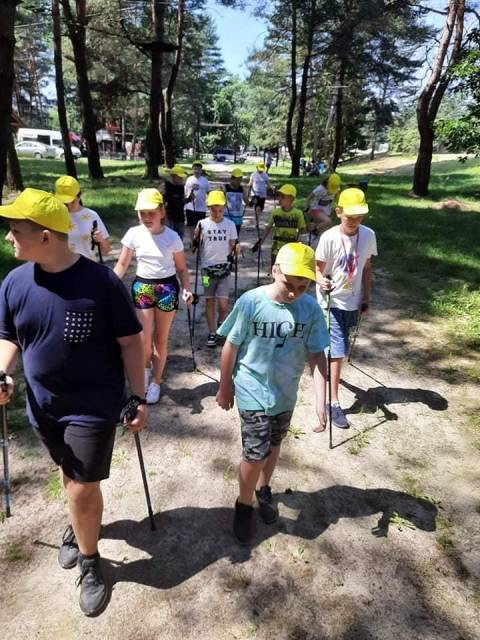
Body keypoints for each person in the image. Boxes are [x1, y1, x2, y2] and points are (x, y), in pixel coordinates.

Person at [0, 188, 146, 616]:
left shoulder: (101, 284)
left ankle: (90, 559)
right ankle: (81, 525)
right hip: (44, 405)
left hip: (93, 405)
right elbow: (9, 336)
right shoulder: (14, 281)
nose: (9, 238)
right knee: (69, 476)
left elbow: (131, 343)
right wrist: (3, 371)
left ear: (46, 236)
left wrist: (137, 396)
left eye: (15, 231)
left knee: (82, 485)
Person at [216, 242, 329, 544]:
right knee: (254, 454)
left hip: (285, 393)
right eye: (287, 284)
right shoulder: (251, 302)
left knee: (274, 444)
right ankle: (243, 505)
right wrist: (224, 386)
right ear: (274, 270)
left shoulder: (311, 309)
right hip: (252, 389)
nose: (293, 292)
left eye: (302, 287)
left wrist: (322, 399)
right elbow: (231, 345)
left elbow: (318, 355)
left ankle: (263, 490)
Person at [114, 188, 193, 404]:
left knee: (160, 338)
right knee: (143, 338)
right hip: (143, 288)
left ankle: (156, 382)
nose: (146, 217)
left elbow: (182, 269)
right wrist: (108, 285)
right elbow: (122, 264)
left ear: (162, 212)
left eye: (151, 212)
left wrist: (187, 288)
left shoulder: (172, 237)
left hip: (167, 288)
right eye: (142, 213)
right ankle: (145, 372)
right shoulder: (133, 234)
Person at [316, 187, 377, 429]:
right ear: (338, 212)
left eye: (359, 217)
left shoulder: (369, 235)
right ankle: (334, 403)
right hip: (330, 301)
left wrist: (367, 297)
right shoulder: (329, 237)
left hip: (353, 301)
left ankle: (326, 364)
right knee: (338, 351)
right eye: (349, 216)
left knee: (339, 348)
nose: (354, 221)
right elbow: (317, 270)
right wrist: (321, 280)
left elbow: (367, 267)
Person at [193, 190, 238, 348]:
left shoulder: (230, 224)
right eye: (213, 209)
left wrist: (236, 249)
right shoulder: (202, 224)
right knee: (209, 299)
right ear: (208, 208)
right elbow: (195, 244)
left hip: (224, 268)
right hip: (206, 270)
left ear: (224, 208)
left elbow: (233, 244)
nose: (217, 213)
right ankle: (212, 332)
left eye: (220, 209)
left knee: (223, 303)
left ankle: (221, 322)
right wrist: (195, 239)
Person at [54, 175, 111, 260]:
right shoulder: (55, 216)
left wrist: (100, 239)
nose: (69, 206)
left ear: (79, 196)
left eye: (72, 202)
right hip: (63, 269)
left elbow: (107, 250)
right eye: (65, 203)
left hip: (87, 268)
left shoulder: (92, 216)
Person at [253, 183, 306, 269]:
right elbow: (268, 228)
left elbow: (302, 230)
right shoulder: (275, 212)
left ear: (291, 199)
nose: (279, 199)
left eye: (283, 197)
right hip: (276, 248)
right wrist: (260, 242)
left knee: (289, 270)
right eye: (279, 196)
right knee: (275, 269)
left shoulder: (298, 214)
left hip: (291, 248)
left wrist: (311, 228)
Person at [304, 173, 341, 240]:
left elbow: (338, 199)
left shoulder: (335, 189)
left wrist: (340, 207)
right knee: (328, 221)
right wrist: (306, 206)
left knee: (323, 231)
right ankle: (313, 230)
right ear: (327, 182)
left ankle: (312, 235)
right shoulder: (320, 189)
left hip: (326, 211)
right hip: (315, 210)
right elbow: (309, 197)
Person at [184, 160, 210, 245]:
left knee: (200, 225)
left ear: (201, 170)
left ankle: (198, 240)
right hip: (190, 206)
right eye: (195, 169)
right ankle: (192, 241)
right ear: (192, 170)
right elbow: (185, 192)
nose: (197, 171)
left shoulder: (205, 180)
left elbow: (208, 192)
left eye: (198, 169)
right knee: (191, 225)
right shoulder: (189, 179)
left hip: (201, 207)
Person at [162, 164, 187, 239]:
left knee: (179, 236)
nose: (181, 179)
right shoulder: (166, 186)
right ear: (173, 176)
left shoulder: (182, 187)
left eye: (182, 177)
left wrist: (189, 199)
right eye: (179, 177)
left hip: (180, 216)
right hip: (169, 216)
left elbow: (182, 201)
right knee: (169, 236)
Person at [224, 168, 248, 237]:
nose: (238, 181)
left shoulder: (241, 189)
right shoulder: (225, 188)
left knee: (235, 237)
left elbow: (247, 202)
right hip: (227, 217)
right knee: (226, 236)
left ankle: (234, 247)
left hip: (238, 218)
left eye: (240, 179)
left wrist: (252, 201)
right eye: (236, 179)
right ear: (231, 179)